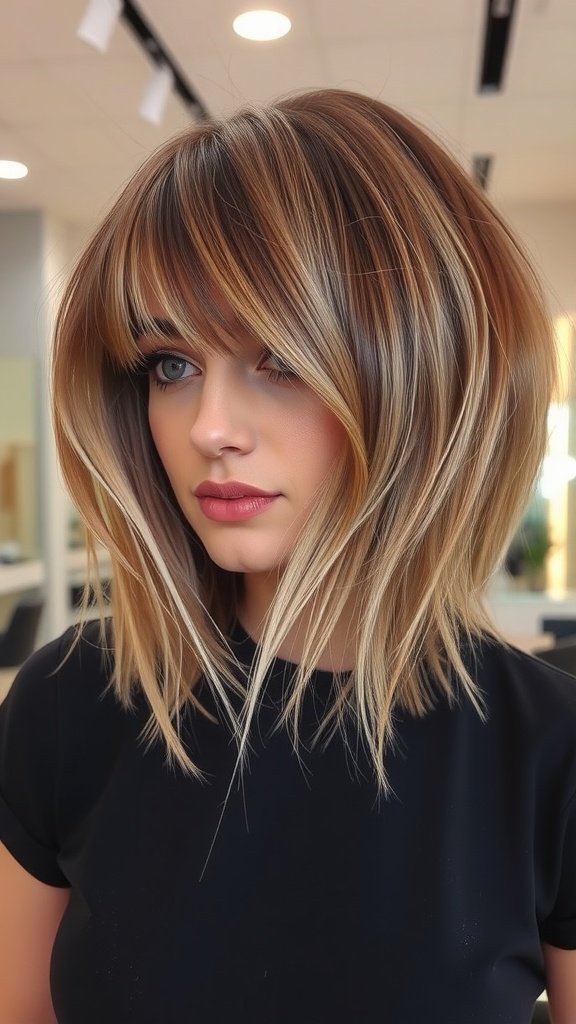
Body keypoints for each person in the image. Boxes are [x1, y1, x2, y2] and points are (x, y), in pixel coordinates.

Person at [0, 88, 574, 1024]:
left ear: (420, 378)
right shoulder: (72, 703)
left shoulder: (543, 751)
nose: (210, 428)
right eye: (171, 364)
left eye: (282, 359)